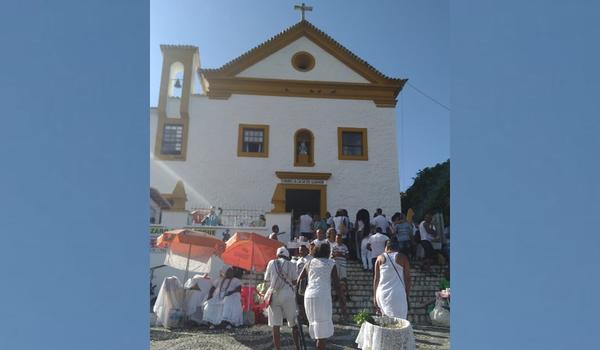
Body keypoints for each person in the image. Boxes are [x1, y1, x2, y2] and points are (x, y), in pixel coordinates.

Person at [298, 243, 348, 350]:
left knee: (316, 329)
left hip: (309, 296)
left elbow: (299, 280)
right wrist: (342, 301)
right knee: (322, 334)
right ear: (327, 252)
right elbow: (337, 286)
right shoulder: (331, 263)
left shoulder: (309, 262)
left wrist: (298, 299)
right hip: (322, 296)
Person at [264, 247, 300, 350]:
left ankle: (278, 348)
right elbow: (294, 281)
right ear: (287, 255)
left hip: (274, 294)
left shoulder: (271, 262)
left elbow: (266, 278)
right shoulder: (291, 264)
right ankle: (297, 347)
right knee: (293, 324)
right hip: (288, 294)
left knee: (276, 325)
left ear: (277, 254)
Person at [373, 240, 412, 319]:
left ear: (386, 247)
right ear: (397, 248)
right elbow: (408, 278)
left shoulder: (379, 258)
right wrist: (406, 294)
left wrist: (374, 296)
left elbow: (376, 279)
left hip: (382, 293)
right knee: (400, 322)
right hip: (398, 293)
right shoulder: (402, 257)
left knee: (385, 322)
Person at [331, 232, 350, 301]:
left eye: (339, 238)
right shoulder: (333, 246)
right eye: (337, 238)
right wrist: (335, 255)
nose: (338, 239)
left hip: (343, 264)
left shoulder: (345, 246)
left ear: (341, 239)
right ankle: (336, 294)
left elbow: (348, 256)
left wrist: (341, 254)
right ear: (335, 239)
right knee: (336, 280)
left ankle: (347, 294)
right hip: (335, 264)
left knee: (344, 279)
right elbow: (331, 256)